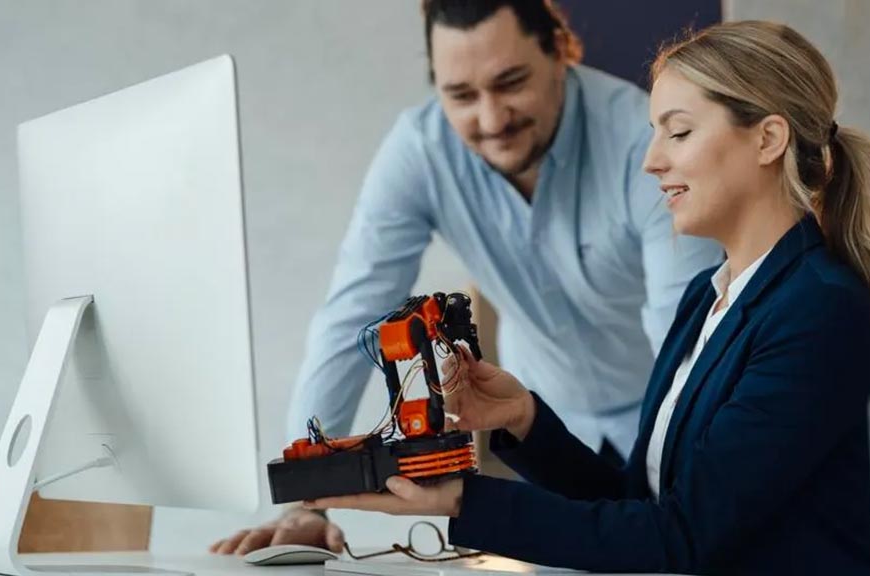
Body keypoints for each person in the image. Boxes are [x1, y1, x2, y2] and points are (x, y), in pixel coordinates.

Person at [306, 20, 870, 576]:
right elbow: (643, 502)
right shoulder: (707, 300)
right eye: (655, 134)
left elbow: (682, 538)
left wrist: (466, 499)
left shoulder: (819, 313)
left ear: (767, 140)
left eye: (678, 132)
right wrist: (524, 418)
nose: (652, 161)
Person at [209, 0, 720, 556]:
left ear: (558, 50)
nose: (491, 118)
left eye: (511, 82)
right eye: (461, 95)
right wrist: (310, 498)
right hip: (547, 437)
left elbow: (687, 334)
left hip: (665, 422)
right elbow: (351, 316)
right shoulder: (421, 151)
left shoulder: (641, 143)